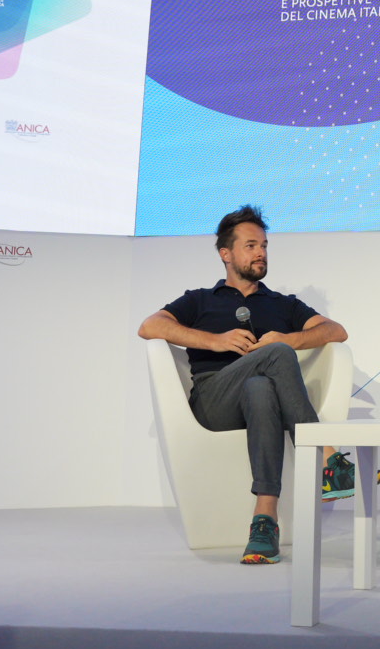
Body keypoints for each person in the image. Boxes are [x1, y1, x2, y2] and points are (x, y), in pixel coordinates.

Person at [139, 205, 351, 564]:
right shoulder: (200, 299)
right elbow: (150, 326)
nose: (261, 253)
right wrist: (215, 340)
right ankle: (326, 459)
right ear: (226, 253)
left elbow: (336, 331)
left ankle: (264, 523)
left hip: (261, 402)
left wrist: (287, 338)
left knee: (261, 387)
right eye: (251, 246)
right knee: (275, 356)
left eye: (264, 246)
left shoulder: (282, 304)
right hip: (214, 399)